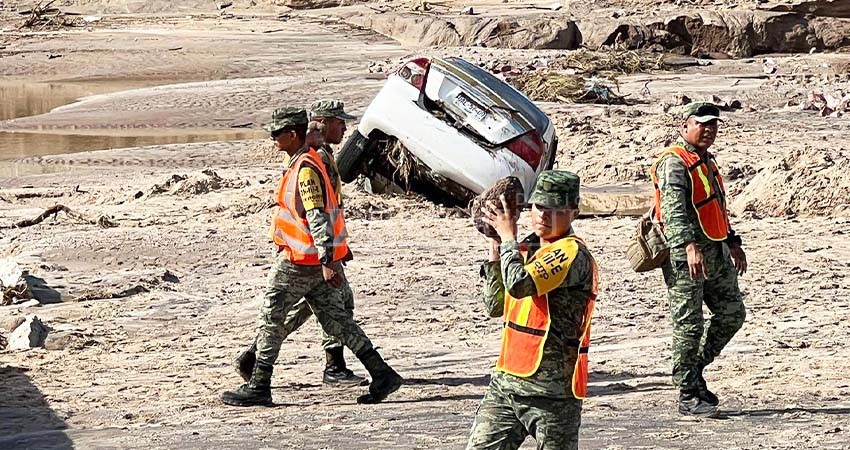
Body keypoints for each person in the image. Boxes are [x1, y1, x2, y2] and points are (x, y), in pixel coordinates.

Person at [221, 107, 402, 407]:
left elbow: (317, 217)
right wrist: (329, 259)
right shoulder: (306, 161)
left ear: (293, 135)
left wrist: (328, 260)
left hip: (300, 261)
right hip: (315, 261)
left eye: (277, 133)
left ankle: (259, 384)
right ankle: (382, 373)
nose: (273, 138)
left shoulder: (305, 168)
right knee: (338, 322)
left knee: (271, 318)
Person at [233, 102, 366, 386]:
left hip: (318, 249)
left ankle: (256, 357)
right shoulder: (312, 158)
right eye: (338, 122)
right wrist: (329, 254)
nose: (344, 127)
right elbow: (315, 212)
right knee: (330, 307)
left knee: (316, 307)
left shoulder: (318, 154)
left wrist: (338, 247)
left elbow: (331, 207)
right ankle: (333, 366)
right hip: (308, 252)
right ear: (322, 123)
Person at [466, 171, 599, 450]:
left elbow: (519, 285)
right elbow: (495, 305)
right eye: (538, 206)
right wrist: (495, 248)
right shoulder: (525, 248)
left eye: (554, 208)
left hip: (552, 394)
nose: (543, 215)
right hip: (507, 385)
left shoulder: (571, 254)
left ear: (574, 212)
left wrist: (507, 238)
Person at [650, 101, 747, 417]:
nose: (708, 130)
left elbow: (715, 206)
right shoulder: (674, 162)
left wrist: (732, 242)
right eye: (702, 124)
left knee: (732, 313)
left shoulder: (705, 160)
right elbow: (673, 211)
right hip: (686, 257)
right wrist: (689, 247)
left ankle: (693, 371)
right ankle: (687, 393)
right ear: (685, 126)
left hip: (716, 251)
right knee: (689, 325)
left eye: (713, 125)